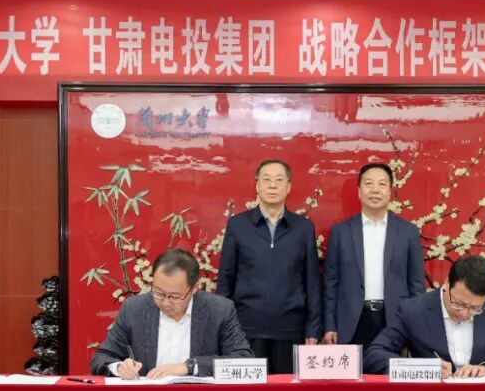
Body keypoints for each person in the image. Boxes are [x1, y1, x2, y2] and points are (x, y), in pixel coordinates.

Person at [217, 159, 321, 374]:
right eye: (266, 180)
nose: (272, 185)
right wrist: (224, 328)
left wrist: (312, 328)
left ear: (288, 187)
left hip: (290, 329)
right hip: (246, 329)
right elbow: (226, 279)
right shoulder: (238, 225)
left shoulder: (303, 228)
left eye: (279, 180)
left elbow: (312, 281)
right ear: (257, 186)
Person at [90, 248, 252, 378]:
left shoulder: (219, 310)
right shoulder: (134, 309)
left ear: (194, 288)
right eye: (158, 293)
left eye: (175, 296)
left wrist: (189, 367)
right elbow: (101, 358)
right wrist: (120, 367)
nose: (166, 303)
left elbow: (244, 360)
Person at [363, 255, 485, 378]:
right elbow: (373, 355)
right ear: (447, 283)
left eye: (475, 308)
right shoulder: (413, 310)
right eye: (458, 303)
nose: (465, 313)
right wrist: (422, 368)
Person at [322, 162, 425, 351]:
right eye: (369, 184)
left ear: (390, 192)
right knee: (353, 370)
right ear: (359, 191)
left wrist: (415, 326)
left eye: (382, 184)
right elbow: (331, 282)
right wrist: (330, 325)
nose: (375, 190)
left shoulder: (408, 232)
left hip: (393, 320)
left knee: (387, 369)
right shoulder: (341, 232)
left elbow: (416, 284)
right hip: (351, 320)